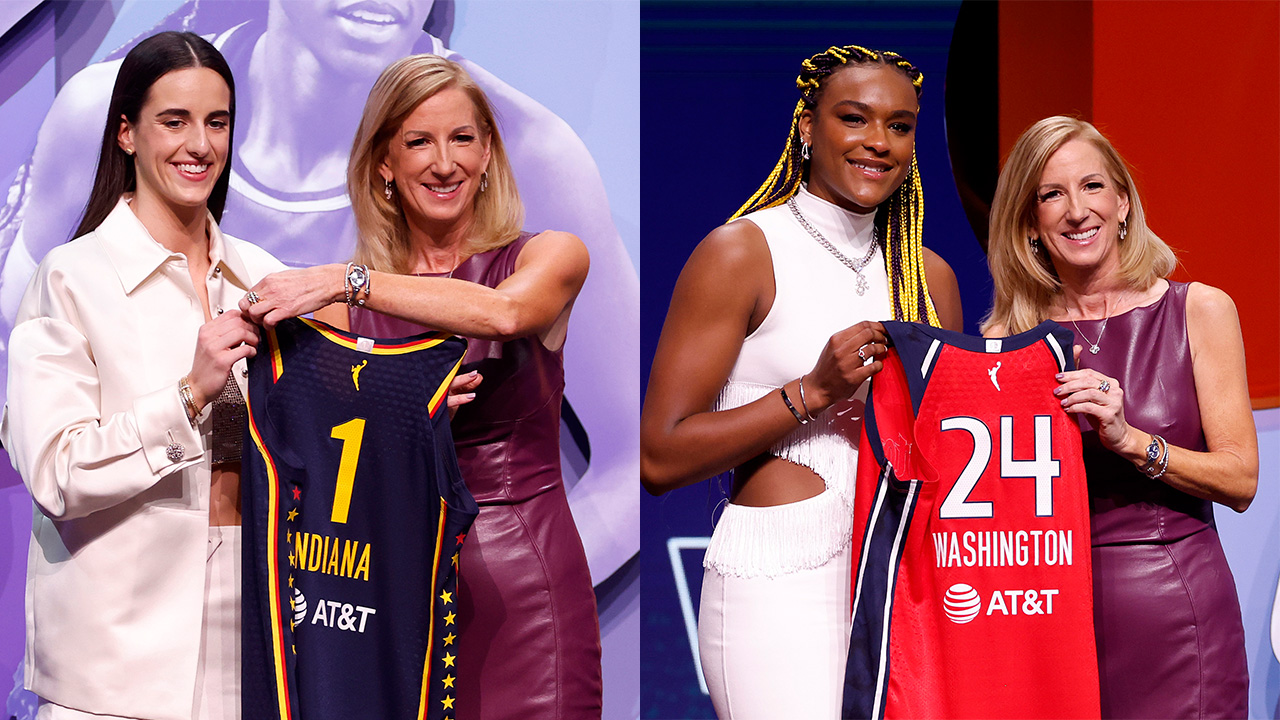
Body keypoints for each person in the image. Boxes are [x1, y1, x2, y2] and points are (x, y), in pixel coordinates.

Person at [0, 0, 638, 585]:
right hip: (145, 605)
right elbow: (33, 401)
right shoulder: (102, 115)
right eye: (419, 144)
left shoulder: (532, 152)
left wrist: (449, 599)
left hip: (389, 626)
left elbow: (633, 464)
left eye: (461, 143)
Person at [237, 55, 601, 718]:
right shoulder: (339, 314)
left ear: (488, 152)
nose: (444, 163)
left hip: (518, 585)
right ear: (383, 162)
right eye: (418, 141)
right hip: (392, 588)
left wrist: (351, 279)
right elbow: (319, 462)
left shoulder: (549, 255)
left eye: (463, 139)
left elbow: (505, 314)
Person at [640, 45, 962, 718]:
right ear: (808, 126)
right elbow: (660, 456)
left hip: (902, 576)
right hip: (778, 581)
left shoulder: (929, 280)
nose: (880, 142)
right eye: (855, 118)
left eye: (900, 126)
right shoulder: (742, 252)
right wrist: (813, 392)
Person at [0, 31, 285, 719]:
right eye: (174, 121)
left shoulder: (265, 278)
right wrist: (189, 396)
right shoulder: (71, 277)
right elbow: (57, 473)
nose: (200, 145)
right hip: (111, 667)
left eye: (216, 122)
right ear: (126, 133)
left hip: (250, 643)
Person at [982, 115, 1256, 718]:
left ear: (1124, 202)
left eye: (1092, 187)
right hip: (1049, 616)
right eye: (1051, 194)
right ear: (1030, 224)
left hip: (1178, 617)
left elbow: (1241, 481)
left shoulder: (1200, 311)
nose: (1076, 211)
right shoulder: (1009, 338)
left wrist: (1131, 440)